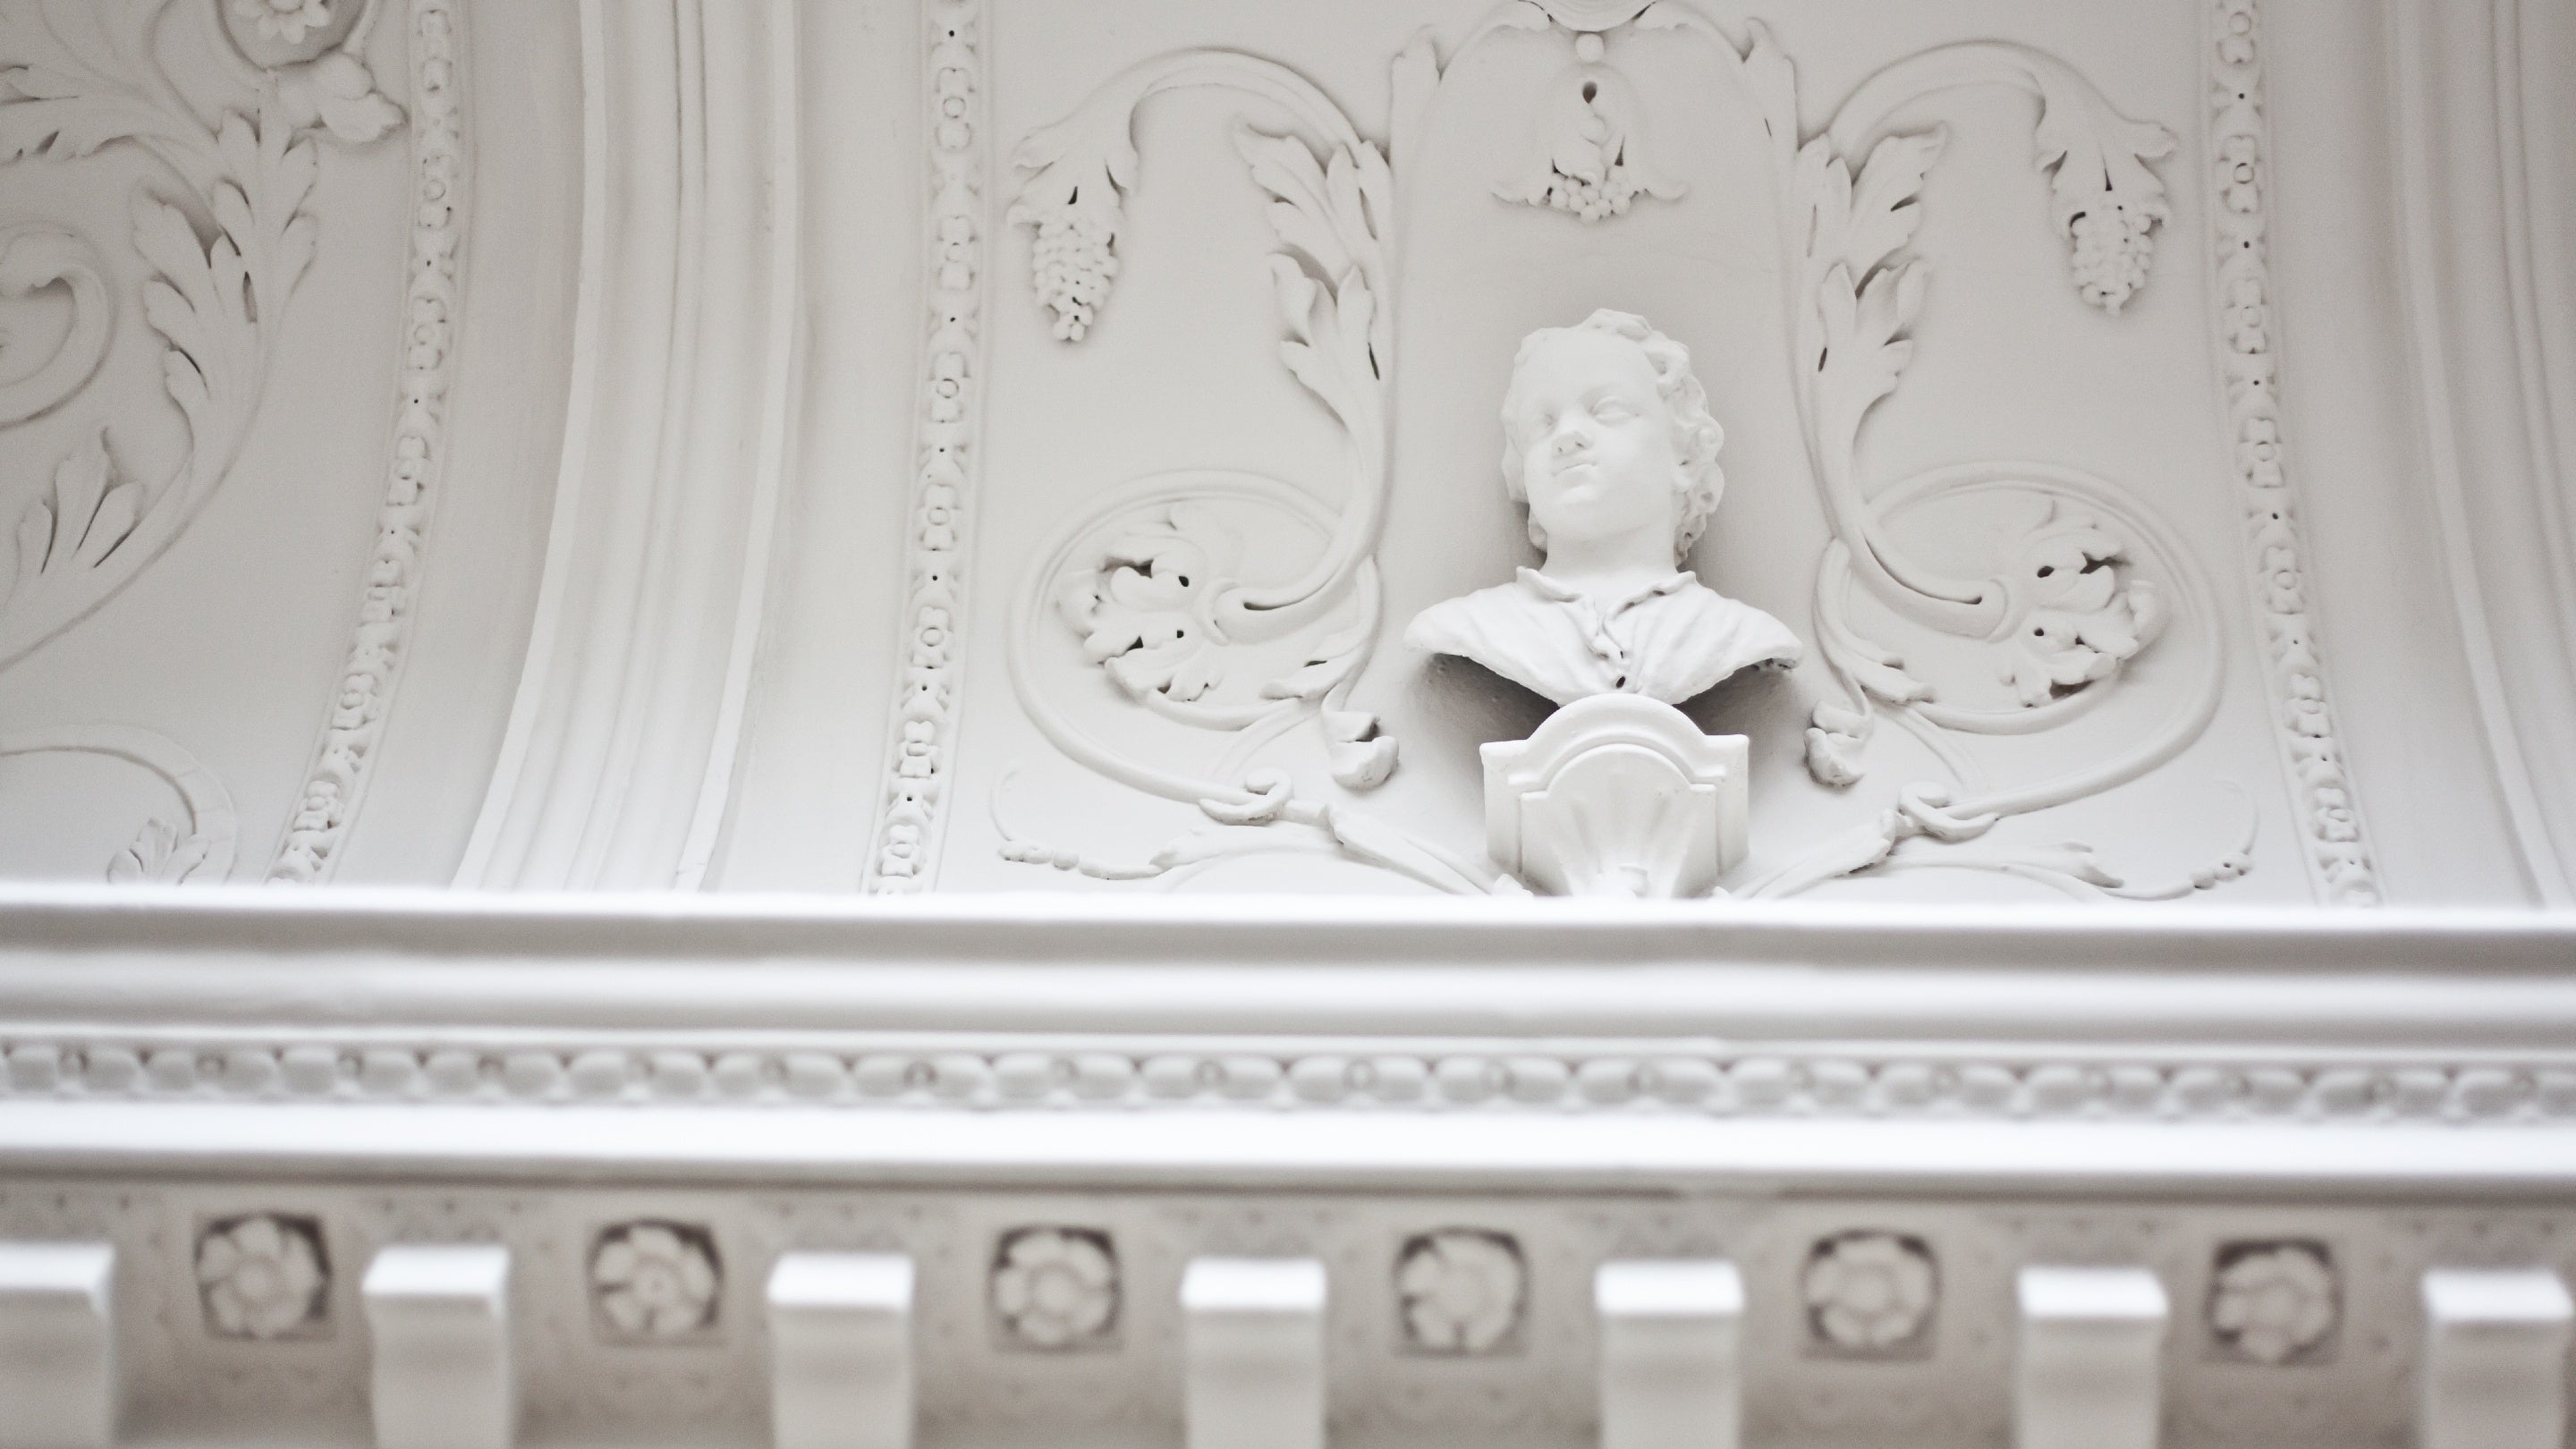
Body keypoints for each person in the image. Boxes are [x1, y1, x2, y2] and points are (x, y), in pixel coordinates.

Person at [1406, 309, 1802, 707]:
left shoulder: (1734, 634)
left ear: (1683, 456)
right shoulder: (1476, 626)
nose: (1567, 436)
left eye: (1607, 409)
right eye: (1542, 423)